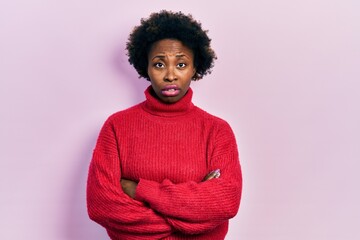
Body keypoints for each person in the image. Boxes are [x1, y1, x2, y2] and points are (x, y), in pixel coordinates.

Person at [86, 10, 242, 240]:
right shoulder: (117, 127)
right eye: (159, 65)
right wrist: (191, 217)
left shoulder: (217, 130)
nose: (170, 75)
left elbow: (226, 201)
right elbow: (101, 205)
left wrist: (140, 190)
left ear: (195, 68)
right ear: (146, 68)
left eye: (181, 64)